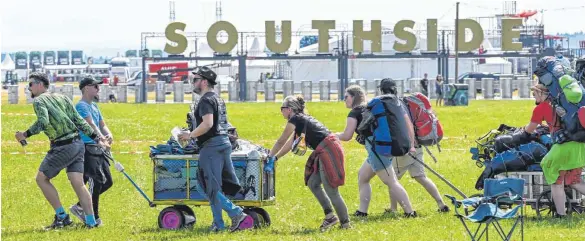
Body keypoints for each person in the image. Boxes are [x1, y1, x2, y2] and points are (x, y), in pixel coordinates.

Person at [14, 72, 108, 229]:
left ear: (40, 85)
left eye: (30, 84)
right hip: (78, 144)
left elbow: (43, 122)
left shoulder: (39, 101)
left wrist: (25, 134)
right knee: (78, 183)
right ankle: (91, 223)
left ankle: (62, 218)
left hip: (63, 145)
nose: (29, 88)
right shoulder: (62, 97)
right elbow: (79, 120)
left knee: (41, 179)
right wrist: (97, 138)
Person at [178, 66, 253, 232]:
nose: (193, 82)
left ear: (204, 82)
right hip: (223, 143)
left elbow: (208, 124)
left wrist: (189, 135)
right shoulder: (217, 98)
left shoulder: (205, 100)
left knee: (206, 186)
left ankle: (236, 213)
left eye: (196, 79)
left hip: (212, 146)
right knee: (214, 187)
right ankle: (218, 224)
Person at [266, 95, 351, 231]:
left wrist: (269, 156)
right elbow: (290, 144)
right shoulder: (299, 119)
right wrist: (275, 158)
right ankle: (330, 216)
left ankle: (346, 224)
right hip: (324, 148)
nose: (281, 111)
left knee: (331, 189)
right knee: (313, 182)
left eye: (282, 108)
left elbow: (281, 140)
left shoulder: (296, 119)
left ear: (288, 109)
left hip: (328, 149)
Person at [335, 85, 415, 218]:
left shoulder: (354, 113)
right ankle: (362, 211)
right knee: (363, 176)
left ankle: (410, 212)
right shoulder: (369, 108)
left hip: (377, 151)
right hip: (383, 148)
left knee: (391, 182)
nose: (345, 100)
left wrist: (331, 135)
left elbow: (347, 135)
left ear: (354, 97)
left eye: (346, 97)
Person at [525, 84, 585, 218]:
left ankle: (561, 215)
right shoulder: (563, 104)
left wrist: (522, 131)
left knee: (555, 179)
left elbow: (529, 129)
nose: (533, 97)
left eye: (534, 94)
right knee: (574, 181)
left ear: (541, 93)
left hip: (563, 148)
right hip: (580, 146)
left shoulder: (541, 107)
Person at [68, 77, 114, 227]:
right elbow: (91, 124)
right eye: (95, 86)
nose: (98, 88)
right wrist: (102, 139)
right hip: (87, 148)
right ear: (86, 88)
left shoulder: (94, 106)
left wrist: (109, 134)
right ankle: (93, 217)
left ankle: (80, 206)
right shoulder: (81, 106)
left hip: (99, 147)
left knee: (107, 182)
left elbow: (102, 124)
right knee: (97, 181)